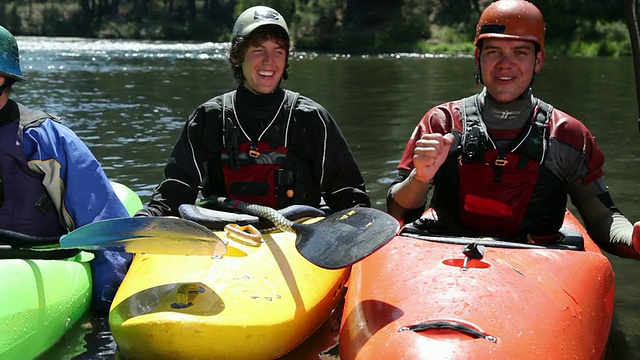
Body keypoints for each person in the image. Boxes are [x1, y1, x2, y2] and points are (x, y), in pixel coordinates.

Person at [386, 0, 640, 259]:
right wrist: (419, 179)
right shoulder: (441, 123)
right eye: (494, 51)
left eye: (520, 52)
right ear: (478, 58)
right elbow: (398, 213)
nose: (505, 63)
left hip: (538, 263)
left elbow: (603, 217)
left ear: (538, 60)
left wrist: (632, 238)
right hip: (448, 262)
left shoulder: (568, 135)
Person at [135, 5, 369, 217]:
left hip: (298, 242)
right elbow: (176, 192)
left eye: (278, 51)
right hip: (226, 239)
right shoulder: (209, 117)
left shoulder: (310, 118)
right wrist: (145, 221)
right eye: (258, 50)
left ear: (286, 58)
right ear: (237, 56)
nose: (269, 61)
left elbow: (349, 197)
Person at [0, 24, 132, 313]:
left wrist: (103, 314)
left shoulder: (45, 138)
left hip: (37, 264)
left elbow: (105, 230)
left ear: (3, 78)